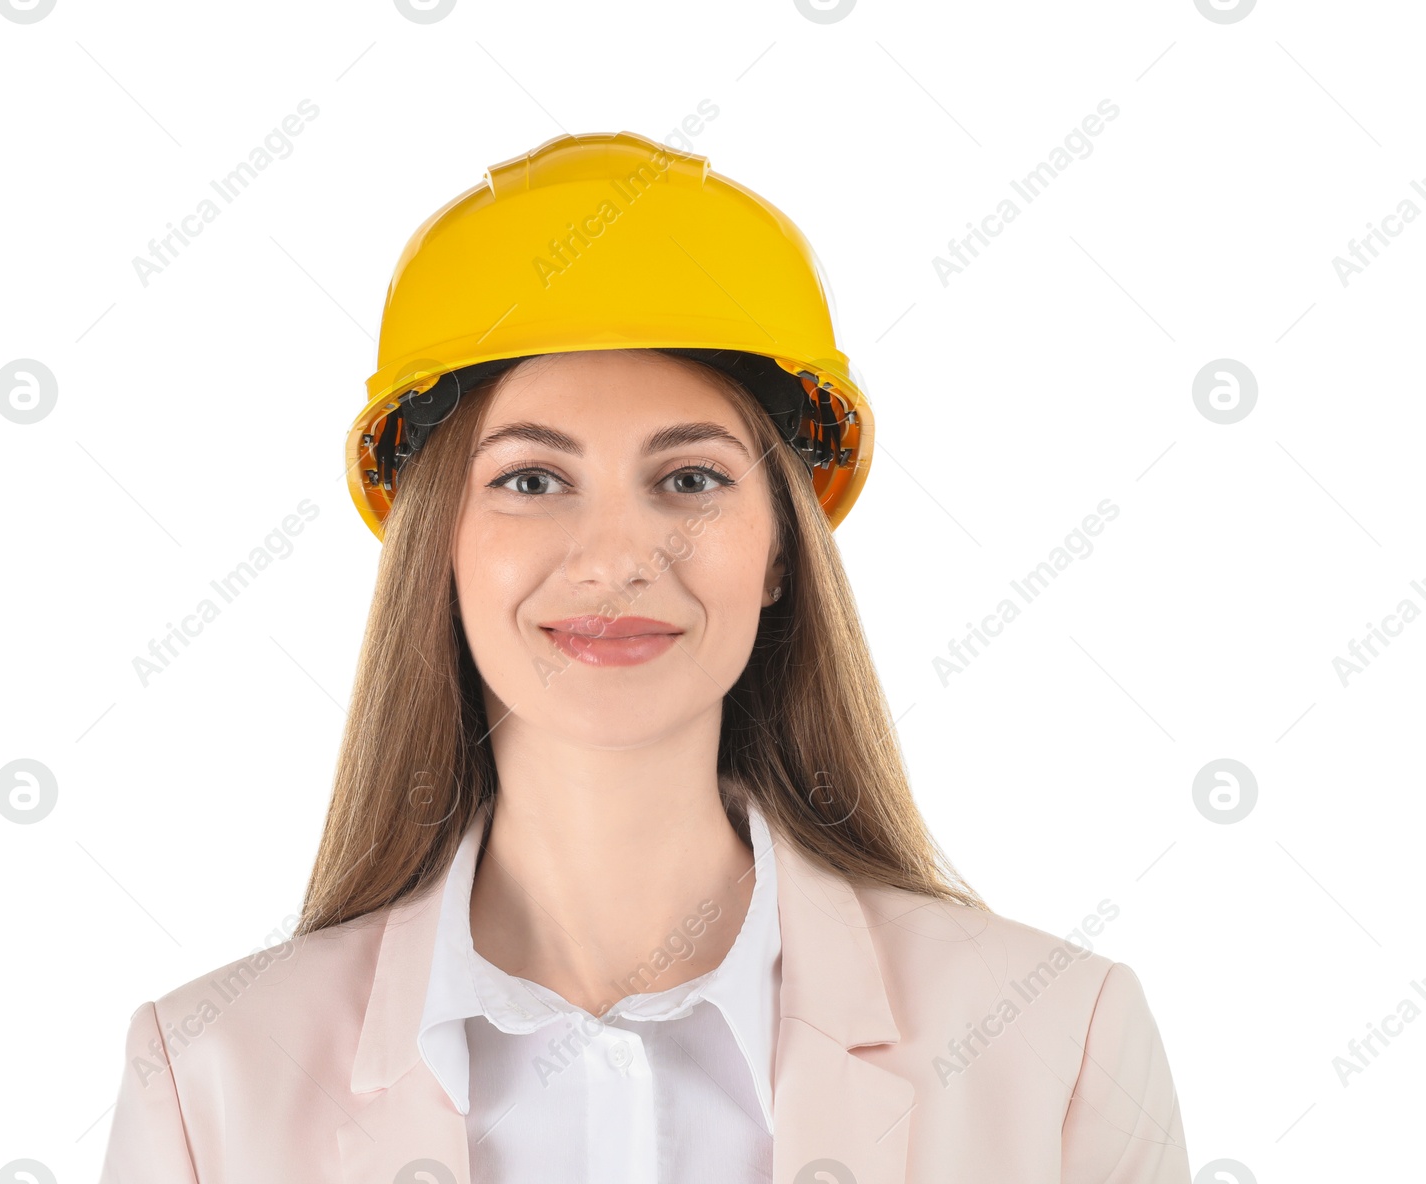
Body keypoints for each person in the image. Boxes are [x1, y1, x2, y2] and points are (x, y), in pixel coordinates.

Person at [98, 131, 1189, 1184]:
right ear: (439, 548)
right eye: (530, 479)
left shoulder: (1053, 1043)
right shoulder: (209, 1083)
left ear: (777, 552)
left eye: (690, 479)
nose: (618, 556)